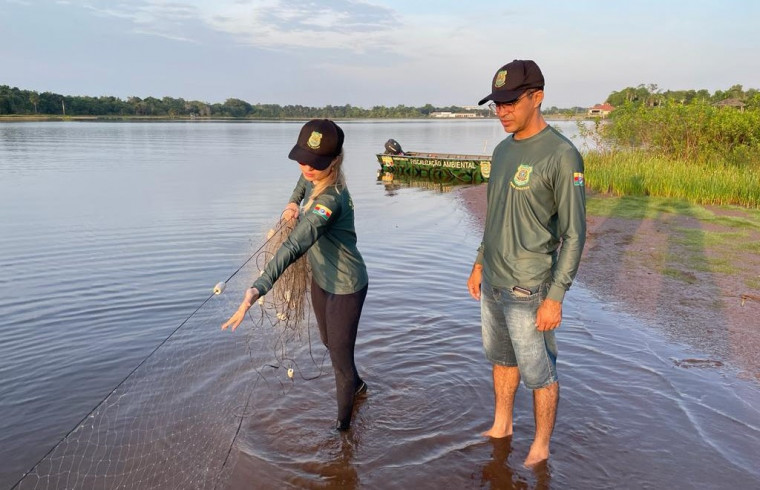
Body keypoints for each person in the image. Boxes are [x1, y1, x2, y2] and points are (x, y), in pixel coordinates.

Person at [466, 59, 586, 465]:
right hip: (495, 283)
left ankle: (541, 446)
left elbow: (574, 234)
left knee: (540, 373)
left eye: (510, 102)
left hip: (530, 288)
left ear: (537, 98)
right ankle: (502, 425)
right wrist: (479, 263)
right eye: (496, 103)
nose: (501, 111)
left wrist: (556, 296)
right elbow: (494, 215)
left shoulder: (562, 155)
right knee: (500, 360)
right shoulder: (501, 152)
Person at [222, 119, 369, 431]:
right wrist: (292, 202)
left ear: (334, 161)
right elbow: (304, 183)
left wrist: (255, 290)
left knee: (340, 365)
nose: (307, 167)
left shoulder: (329, 202)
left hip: (346, 286)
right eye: (303, 160)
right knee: (331, 344)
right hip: (321, 280)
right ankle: (358, 388)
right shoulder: (315, 176)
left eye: (315, 163)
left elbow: (294, 245)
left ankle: (343, 438)